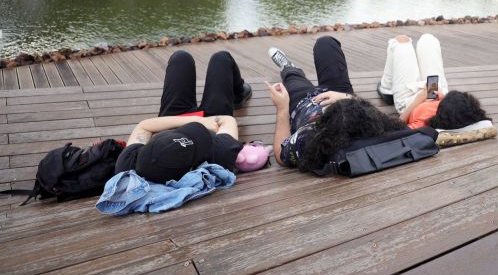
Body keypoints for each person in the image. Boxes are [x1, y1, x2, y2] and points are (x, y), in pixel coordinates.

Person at [266, 36, 407, 172]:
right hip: (339, 93)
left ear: (322, 125)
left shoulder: (309, 139)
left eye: (327, 110)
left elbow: (279, 154)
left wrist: (282, 108)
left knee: (292, 78)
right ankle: (296, 72)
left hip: (302, 103)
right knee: (325, 43)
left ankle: (288, 66)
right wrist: (345, 97)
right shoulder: (370, 125)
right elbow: (379, 116)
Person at [114, 50, 252, 183]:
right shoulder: (216, 158)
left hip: (171, 123)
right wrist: (201, 121)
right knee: (221, 58)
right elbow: (227, 121)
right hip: (213, 125)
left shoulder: (129, 166)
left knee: (180, 58)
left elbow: (143, 126)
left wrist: (195, 120)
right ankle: (239, 93)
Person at [376, 33, 489, 130]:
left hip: (409, 99)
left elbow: (398, 127)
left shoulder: (424, 122)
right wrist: (442, 96)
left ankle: (386, 89)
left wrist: (419, 99)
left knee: (402, 43)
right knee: (428, 40)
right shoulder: (457, 110)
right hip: (433, 90)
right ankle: (392, 87)